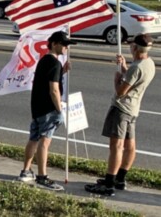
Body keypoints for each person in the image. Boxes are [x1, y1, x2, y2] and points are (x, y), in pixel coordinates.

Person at [85, 34, 156, 196]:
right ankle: (120, 178)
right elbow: (135, 79)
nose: (130, 47)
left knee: (116, 147)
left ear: (135, 48)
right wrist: (124, 67)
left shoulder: (136, 67)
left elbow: (120, 92)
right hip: (133, 109)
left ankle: (109, 184)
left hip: (121, 109)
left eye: (132, 45)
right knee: (130, 145)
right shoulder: (148, 63)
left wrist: (117, 79)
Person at [17, 30, 74, 191]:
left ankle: (26, 170)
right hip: (49, 109)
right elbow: (54, 90)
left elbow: (47, 79)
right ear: (54, 44)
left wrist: (63, 71)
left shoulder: (45, 60)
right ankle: (42, 176)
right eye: (64, 45)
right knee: (44, 141)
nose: (66, 48)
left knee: (33, 138)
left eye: (67, 45)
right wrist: (59, 109)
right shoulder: (54, 63)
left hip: (37, 107)